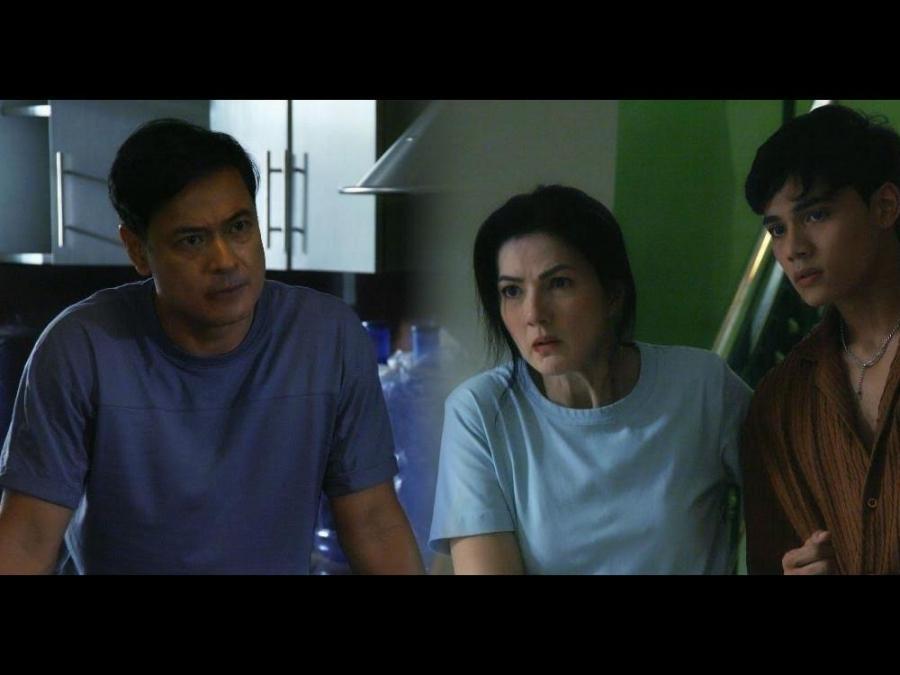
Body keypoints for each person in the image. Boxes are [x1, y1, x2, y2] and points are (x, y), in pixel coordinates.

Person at [0, 119, 423, 574]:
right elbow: (28, 537)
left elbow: (373, 520)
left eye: (239, 227)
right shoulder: (81, 348)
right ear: (137, 249)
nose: (225, 260)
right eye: (193, 240)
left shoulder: (328, 337)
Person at [428, 185, 750, 574]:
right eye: (512, 291)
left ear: (612, 294)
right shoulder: (480, 412)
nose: (534, 313)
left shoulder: (701, 387)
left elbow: (797, 503)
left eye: (559, 283)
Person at [742, 104, 900, 575]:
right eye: (777, 229)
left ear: (884, 206)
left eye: (815, 215)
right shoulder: (781, 402)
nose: (794, 248)